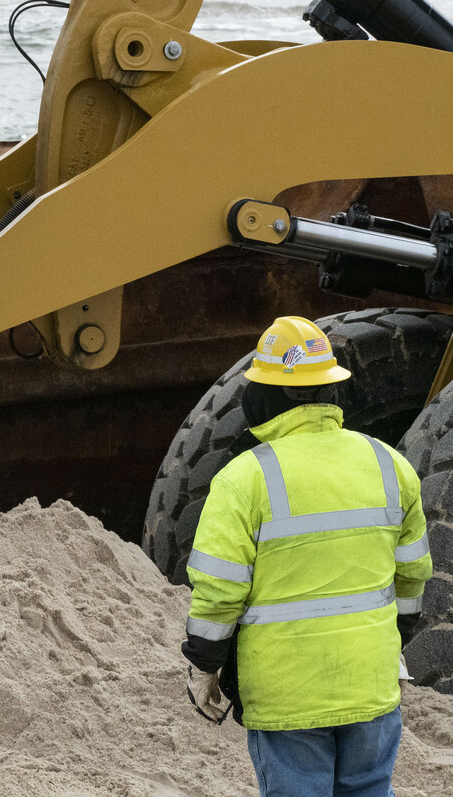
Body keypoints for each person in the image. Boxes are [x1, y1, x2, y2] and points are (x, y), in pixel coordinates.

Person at [182, 315, 432, 796]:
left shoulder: (243, 480)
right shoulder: (390, 465)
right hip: (371, 689)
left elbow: (219, 594)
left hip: (287, 699)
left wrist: (204, 664)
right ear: (331, 392)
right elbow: (412, 578)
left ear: (265, 395)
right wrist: (391, 648)